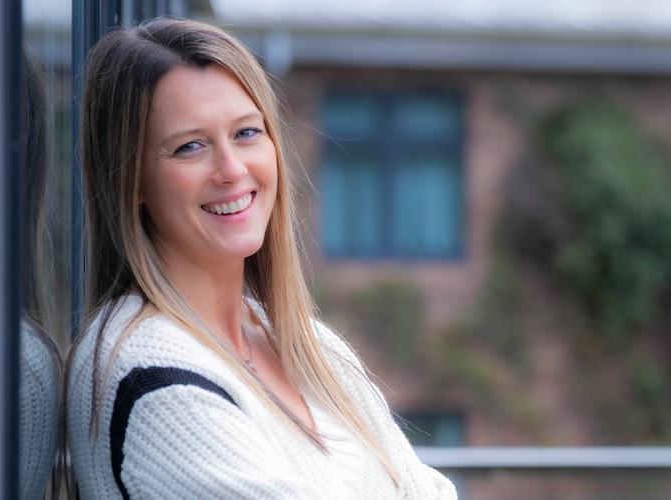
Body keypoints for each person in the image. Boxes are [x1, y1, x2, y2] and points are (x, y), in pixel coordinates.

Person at [66, 17, 457, 499]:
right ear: (132, 182)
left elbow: (431, 490)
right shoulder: (148, 373)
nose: (231, 169)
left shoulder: (313, 348)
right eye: (190, 147)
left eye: (247, 133)